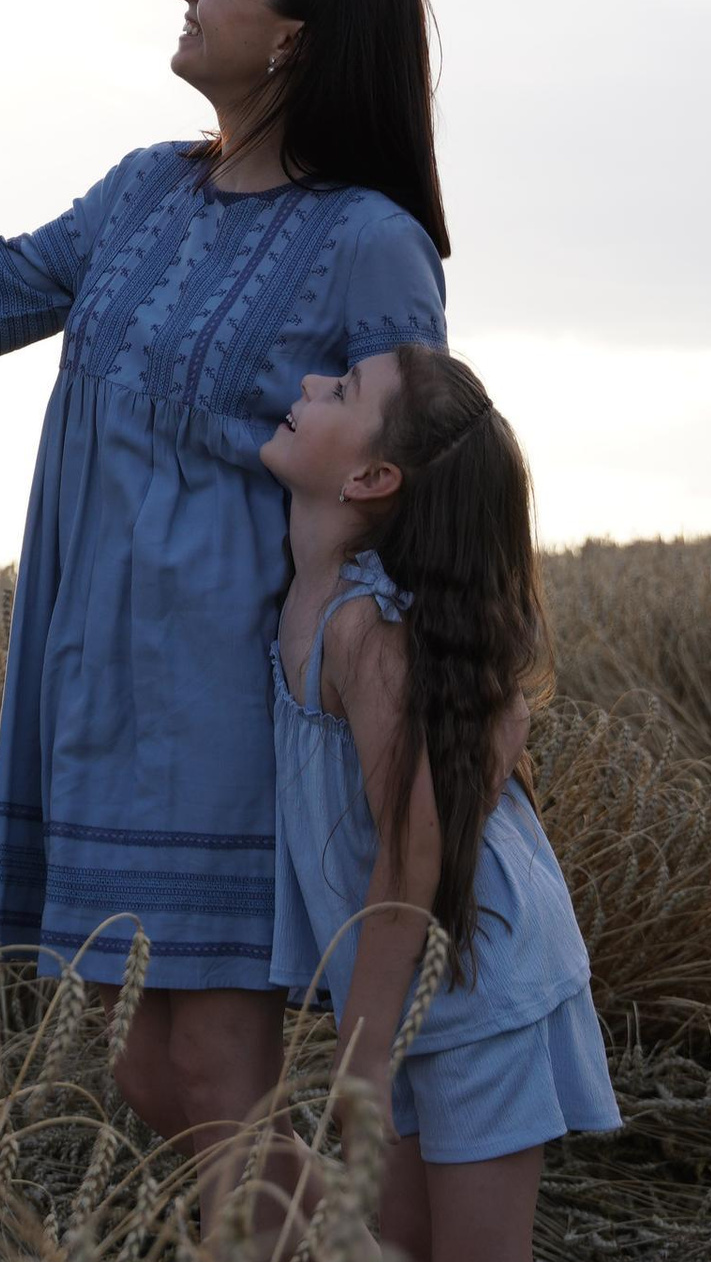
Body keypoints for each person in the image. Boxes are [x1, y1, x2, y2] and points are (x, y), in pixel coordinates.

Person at [0, 0, 449, 1221]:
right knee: (148, 1070)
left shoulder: (369, 242)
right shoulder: (142, 189)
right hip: (92, 686)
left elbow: (422, 477)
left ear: (292, 36)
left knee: (216, 1065)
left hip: (232, 692)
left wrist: (402, 714)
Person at [261, 345, 618, 1261]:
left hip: (473, 980)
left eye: (339, 390)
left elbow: (413, 848)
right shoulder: (312, 595)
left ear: (374, 476)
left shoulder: (362, 628)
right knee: (406, 1244)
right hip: (413, 980)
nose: (306, 385)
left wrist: (363, 1057)